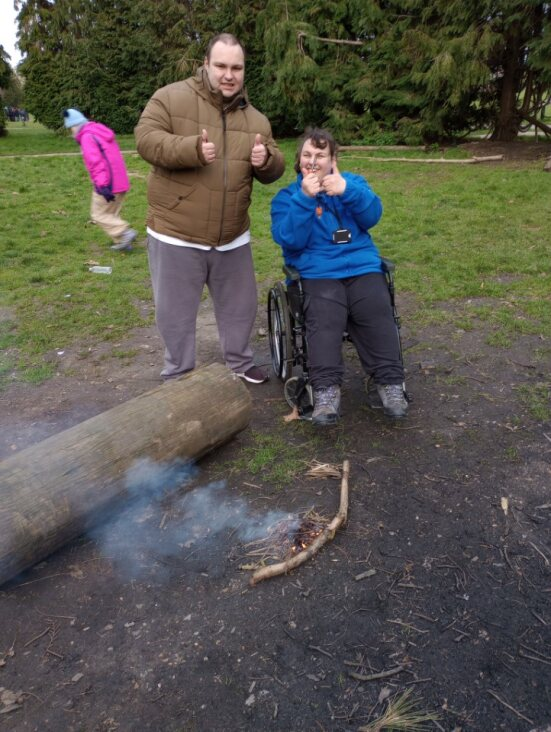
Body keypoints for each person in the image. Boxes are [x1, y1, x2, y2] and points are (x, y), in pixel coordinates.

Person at [134, 33, 285, 383]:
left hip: (232, 235)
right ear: (205, 65)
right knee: (175, 314)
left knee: (240, 307)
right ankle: (179, 373)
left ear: (244, 71)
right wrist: (191, 150)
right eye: (221, 66)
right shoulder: (170, 98)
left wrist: (267, 161)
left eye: (236, 67)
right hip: (176, 232)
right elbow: (145, 139)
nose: (228, 74)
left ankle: (240, 362)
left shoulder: (257, 120)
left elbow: (275, 166)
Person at [271, 127, 408, 426]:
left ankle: (390, 383)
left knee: (375, 305)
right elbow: (288, 240)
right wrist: (306, 200)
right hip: (317, 272)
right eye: (307, 155)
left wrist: (347, 190)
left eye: (320, 155)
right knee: (324, 312)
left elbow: (372, 216)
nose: (312, 161)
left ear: (333, 159)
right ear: (299, 161)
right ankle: (325, 391)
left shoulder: (354, 184)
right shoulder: (287, 198)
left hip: (360, 266)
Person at [63, 108, 136, 251]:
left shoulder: (87, 137)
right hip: (121, 181)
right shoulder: (99, 133)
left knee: (98, 214)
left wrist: (102, 185)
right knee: (111, 214)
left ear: (75, 126)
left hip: (108, 183)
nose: (71, 132)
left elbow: (96, 163)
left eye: (70, 128)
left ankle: (125, 232)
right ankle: (123, 243)